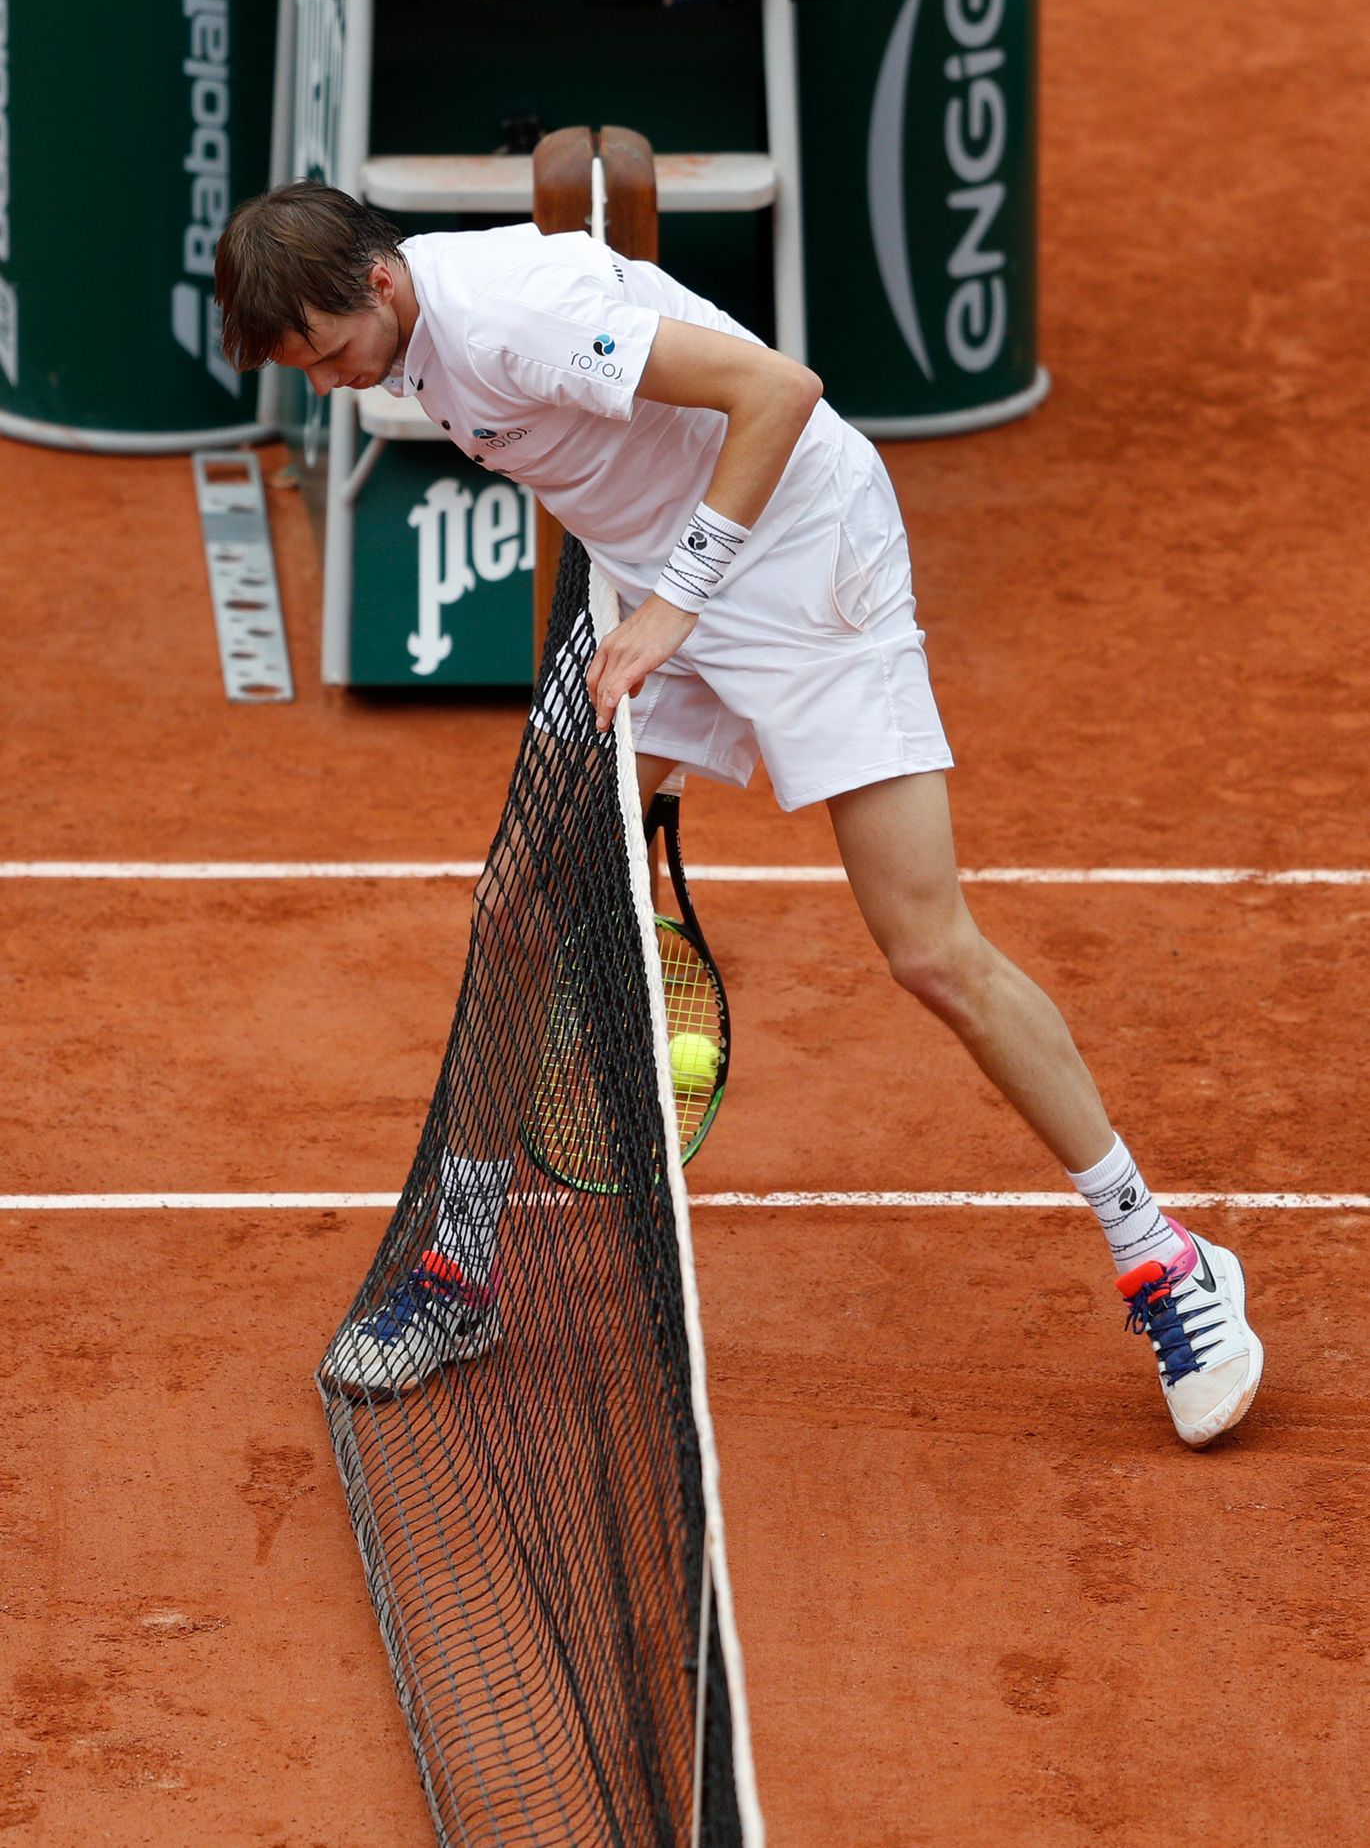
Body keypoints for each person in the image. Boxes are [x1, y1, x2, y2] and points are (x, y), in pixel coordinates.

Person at [215, 181, 1262, 1448]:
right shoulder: (412, 334)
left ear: (379, 282)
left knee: (929, 951)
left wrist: (677, 603)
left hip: (805, 563)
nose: (328, 383)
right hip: (659, 590)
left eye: (324, 352)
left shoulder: (511, 317)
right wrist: (653, 649)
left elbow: (779, 390)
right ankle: (460, 1268)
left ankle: (1163, 1256)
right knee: (513, 911)